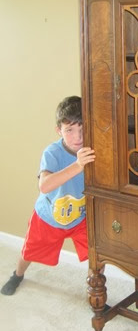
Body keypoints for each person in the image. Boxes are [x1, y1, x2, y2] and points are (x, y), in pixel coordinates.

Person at [1, 95, 95, 295]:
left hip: (80, 217)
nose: (78, 137)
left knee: (96, 253)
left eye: (82, 128)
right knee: (29, 251)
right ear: (59, 130)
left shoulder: (92, 150)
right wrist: (78, 165)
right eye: (70, 130)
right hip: (48, 217)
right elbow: (44, 186)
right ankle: (17, 274)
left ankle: (94, 288)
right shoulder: (52, 153)